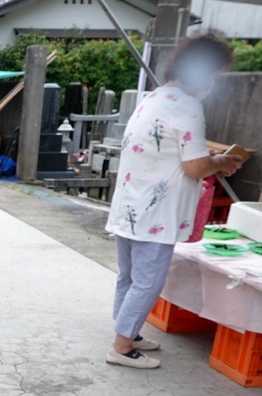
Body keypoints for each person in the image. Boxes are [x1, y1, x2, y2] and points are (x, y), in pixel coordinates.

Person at [104, 34, 242, 370]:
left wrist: (209, 158)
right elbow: (194, 166)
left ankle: (128, 332)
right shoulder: (187, 105)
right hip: (156, 212)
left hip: (131, 206)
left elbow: (165, 150)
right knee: (147, 281)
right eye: (213, 74)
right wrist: (221, 161)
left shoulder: (153, 98)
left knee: (129, 277)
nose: (212, 82)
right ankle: (122, 347)